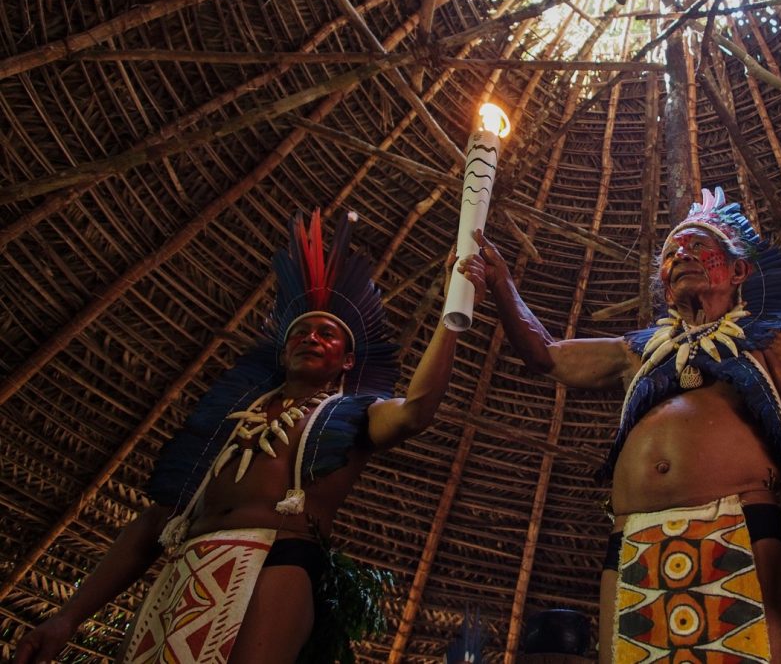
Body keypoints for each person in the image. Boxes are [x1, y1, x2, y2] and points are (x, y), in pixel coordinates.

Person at [16, 210, 471, 664]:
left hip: (279, 560)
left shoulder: (353, 416)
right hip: (184, 567)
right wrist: (67, 618)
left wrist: (454, 308)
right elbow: (154, 523)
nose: (310, 338)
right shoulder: (225, 423)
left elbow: (415, 412)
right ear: (283, 348)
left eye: (327, 334)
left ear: (347, 361)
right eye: (300, 333)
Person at [460, 186, 781, 663]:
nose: (683, 254)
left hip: (736, 527)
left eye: (699, 246)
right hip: (633, 541)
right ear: (664, 285)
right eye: (672, 252)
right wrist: (503, 285)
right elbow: (545, 355)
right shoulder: (640, 351)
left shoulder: (766, 336)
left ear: (738, 271)